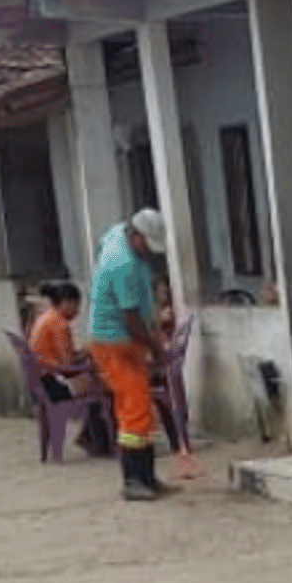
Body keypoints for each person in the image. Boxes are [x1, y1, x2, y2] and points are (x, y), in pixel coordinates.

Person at [87, 209, 171, 500]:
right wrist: (156, 349)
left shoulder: (117, 233)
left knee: (140, 405)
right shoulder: (121, 263)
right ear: (134, 235)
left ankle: (147, 477)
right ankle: (134, 480)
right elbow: (131, 318)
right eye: (146, 244)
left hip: (126, 340)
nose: (149, 252)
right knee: (134, 407)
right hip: (114, 341)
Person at [29, 281, 111, 457]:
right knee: (105, 387)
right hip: (53, 384)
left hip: (42, 383)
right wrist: (89, 356)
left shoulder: (46, 317)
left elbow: (64, 358)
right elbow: (68, 365)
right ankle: (98, 439)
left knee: (95, 384)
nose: (78, 311)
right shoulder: (59, 324)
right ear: (67, 302)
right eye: (76, 305)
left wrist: (84, 353)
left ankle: (91, 437)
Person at [151, 276, 201, 480]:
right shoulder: (150, 314)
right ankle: (180, 444)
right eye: (161, 292)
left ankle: (181, 445)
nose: (165, 295)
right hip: (158, 368)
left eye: (166, 291)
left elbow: (166, 345)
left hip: (162, 369)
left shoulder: (167, 314)